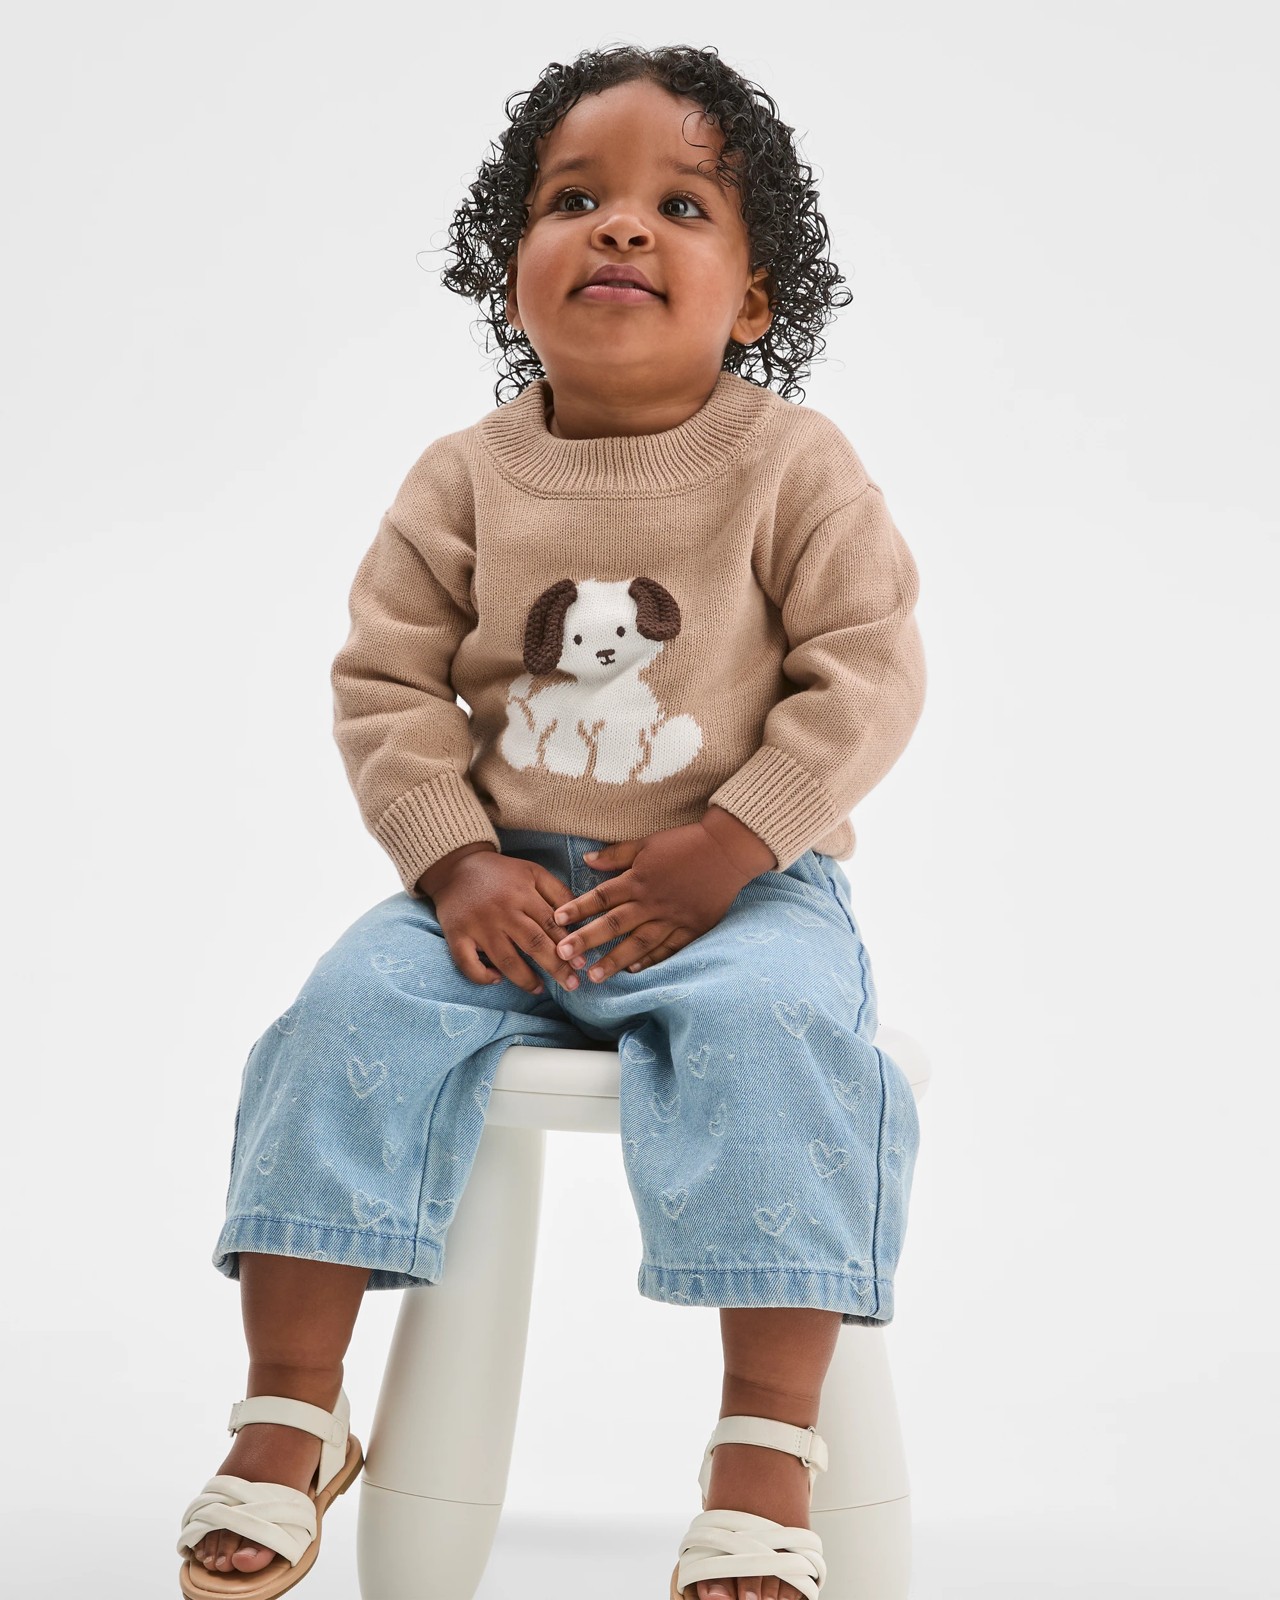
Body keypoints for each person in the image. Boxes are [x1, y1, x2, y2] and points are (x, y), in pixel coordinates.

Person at [176, 42, 927, 1600]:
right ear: (507, 267)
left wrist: (735, 842)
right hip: (494, 893)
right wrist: (453, 860)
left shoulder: (791, 466)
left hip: (739, 894)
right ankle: (292, 1404)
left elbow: (868, 670)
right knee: (337, 1017)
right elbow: (386, 683)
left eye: (681, 207)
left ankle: (766, 1440)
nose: (622, 225)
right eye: (574, 199)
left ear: (755, 299)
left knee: (786, 1039)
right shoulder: (468, 477)